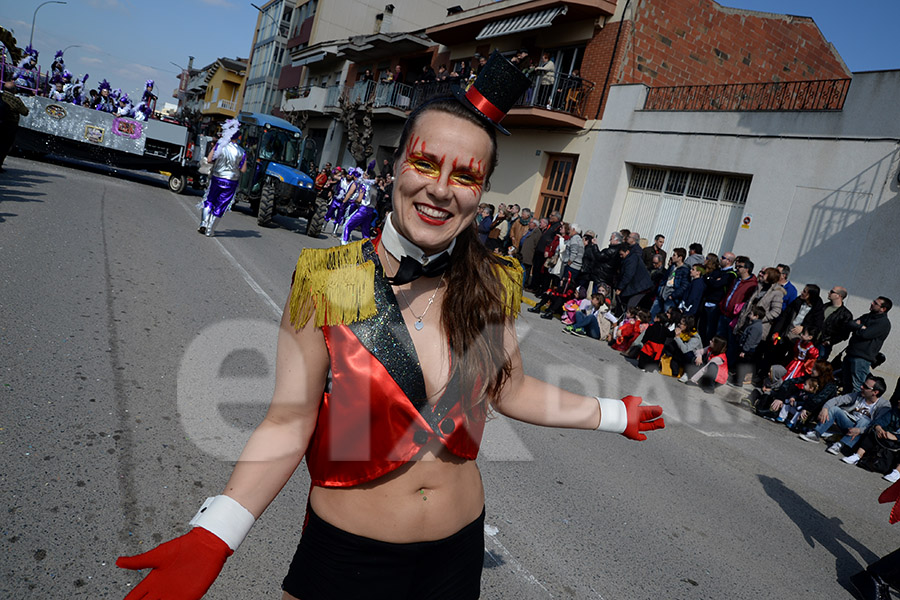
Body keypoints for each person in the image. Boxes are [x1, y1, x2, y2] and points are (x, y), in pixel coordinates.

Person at [115, 52, 664, 600]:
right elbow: (288, 421)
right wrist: (217, 533)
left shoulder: (493, 281)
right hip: (348, 558)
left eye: (466, 175)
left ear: (483, 190)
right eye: (426, 164)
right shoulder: (334, 278)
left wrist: (614, 412)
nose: (442, 189)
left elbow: (510, 388)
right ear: (396, 165)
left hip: (456, 554)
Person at [799, 375, 890, 456]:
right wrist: (825, 408)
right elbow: (837, 400)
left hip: (862, 432)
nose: (861, 387)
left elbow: (876, 424)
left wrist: (860, 430)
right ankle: (816, 434)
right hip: (849, 424)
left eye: (865, 387)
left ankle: (840, 445)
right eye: (863, 384)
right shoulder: (858, 395)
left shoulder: (884, 406)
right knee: (834, 409)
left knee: (865, 420)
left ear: (875, 392)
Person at [197, 119, 247, 236]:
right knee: (221, 205)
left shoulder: (220, 145)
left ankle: (203, 223)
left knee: (209, 200)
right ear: (238, 137)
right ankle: (210, 230)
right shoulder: (242, 152)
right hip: (231, 182)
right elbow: (243, 169)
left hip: (217, 178)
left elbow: (209, 160)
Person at [842, 296, 892, 393]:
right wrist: (861, 326)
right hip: (851, 353)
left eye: (876, 303)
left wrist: (858, 328)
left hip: (862, 358)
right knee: (846, 384)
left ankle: (855, 406)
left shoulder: (883, 323)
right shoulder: (867, 316)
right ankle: (845, 404)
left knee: (857, 386)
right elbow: (850, 324)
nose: (872, 303)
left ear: (883, 309)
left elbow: (865, 334)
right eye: (873, 301)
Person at [0, 74, 30, 173]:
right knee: (5, 146)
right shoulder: (15, 100)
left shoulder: (1, 96)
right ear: (14, 90)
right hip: (10, 125)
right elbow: (25, 112)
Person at [819, 286, 853, 359]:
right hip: (812, 340)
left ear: (839, 296)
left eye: (832, 292)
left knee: (818, 365)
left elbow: (844, 334)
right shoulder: (824, 306)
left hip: (824, 345)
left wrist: (830, 341)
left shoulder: (845, 314)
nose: (829, 293)